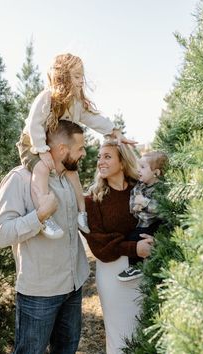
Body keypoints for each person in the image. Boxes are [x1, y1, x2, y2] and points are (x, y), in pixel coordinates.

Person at [0, 120, 90, 354]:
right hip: (39, 295)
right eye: (80, 148)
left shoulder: (68, 179)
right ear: (61, 150)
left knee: (66, 349)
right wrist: (40, 216)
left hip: (73, 285)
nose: (84, 153)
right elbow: (1, 234)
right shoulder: (19, 179)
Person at [17, 52, 136, 239]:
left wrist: (115, 132)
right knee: (41, 170)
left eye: (82, 76)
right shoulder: (47, 98)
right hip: (32, 144)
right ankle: (45, 216)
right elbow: (34, 124)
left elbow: (93, 119)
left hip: (56, 148)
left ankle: (82, 213)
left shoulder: (76, 104)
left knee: (73, 174)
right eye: (77, 76)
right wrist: (41, 150)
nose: (81, 81)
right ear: (63, 78)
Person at [82, 139, 154, 354]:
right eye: (99, 157)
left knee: (146, 330)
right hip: (113, 272)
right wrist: (134, 248)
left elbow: (157, 219)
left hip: (145, 266)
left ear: (122, 162)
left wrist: (152, 243)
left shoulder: (141, 191)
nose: (100, 161)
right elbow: (98, 244)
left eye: (107, 156)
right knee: (119, 335)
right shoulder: (92, 199)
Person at [117, 150, 169, 281]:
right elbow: (133, 202)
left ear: (156, 173)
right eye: (138, 166)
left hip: (156, 223)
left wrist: (144, 202)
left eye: (143, 167)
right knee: (133, 237)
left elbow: (162, 208)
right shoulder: (140, 186)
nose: (138, 170)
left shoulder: (161, 188)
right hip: (143, 222)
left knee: (136, 237)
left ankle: (137, 267)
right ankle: (141, 264)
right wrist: (135, 206)